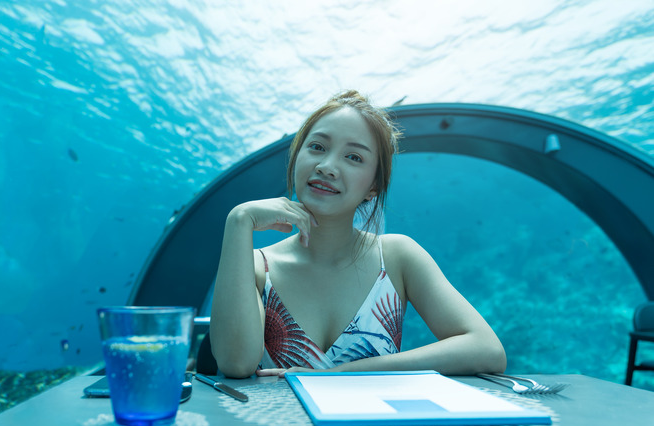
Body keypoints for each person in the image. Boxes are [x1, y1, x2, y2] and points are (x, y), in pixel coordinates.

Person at [210, 90, 506, 379]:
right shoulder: (254, 267)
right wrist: (238, 221)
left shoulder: (396, 257)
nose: (327, 167)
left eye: (353, 157)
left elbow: (487, 349)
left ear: (374, 186)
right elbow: (236, 363)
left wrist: (344, 373)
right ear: (296, 157)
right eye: (317, 147)